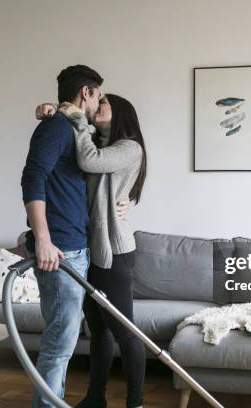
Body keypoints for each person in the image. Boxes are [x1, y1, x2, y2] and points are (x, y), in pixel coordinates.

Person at [35, 93, 148, 408]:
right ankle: (95, 398)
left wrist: (77, 120)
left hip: (114, 251)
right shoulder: (92, 139)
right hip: (87, 248)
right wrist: (49, 110)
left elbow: (90, 161)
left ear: (120, 114)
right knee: (98, 330)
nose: (96, 108)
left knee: (124, 331)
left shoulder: (129, 147)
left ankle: (136, 402)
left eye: (104, 105)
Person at [21, 64, 105, 408]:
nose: (98, 104)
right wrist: (43, 238)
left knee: (64, 344)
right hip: (60, 249)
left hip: (74, 247)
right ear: (85, 92)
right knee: (59, 345)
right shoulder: (55, 128)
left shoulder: (71, 127)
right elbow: (32, 178)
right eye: (97, 96)